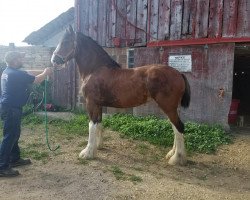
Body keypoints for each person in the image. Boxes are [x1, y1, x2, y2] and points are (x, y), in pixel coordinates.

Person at [0, 51, 53, 177]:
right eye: (19, 58)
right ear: (14, 61)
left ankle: (15, 158)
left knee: (14, 134)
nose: (21, 60)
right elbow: (37, 79)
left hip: (9, 107)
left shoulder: (8, 71)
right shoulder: (16, 74)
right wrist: (45, 73)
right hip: (12, 108)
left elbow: (27, 72)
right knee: (10, 136)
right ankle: (2, 166)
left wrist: (44, 69)